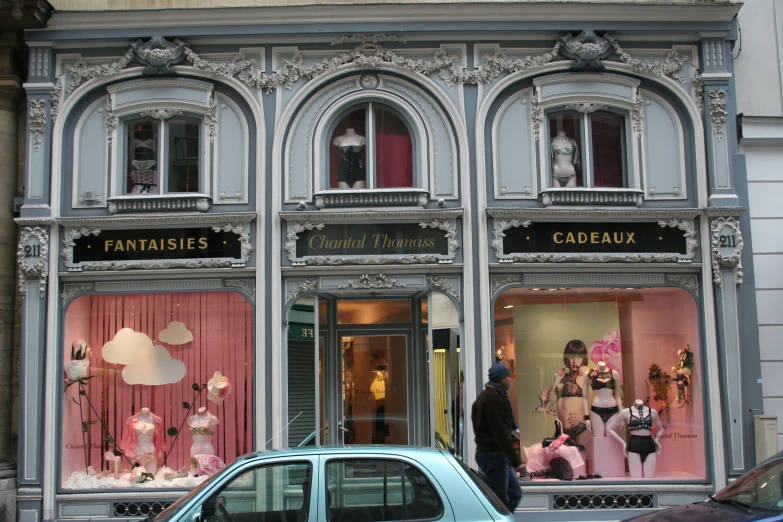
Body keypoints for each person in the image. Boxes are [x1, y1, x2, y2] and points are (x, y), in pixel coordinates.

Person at [471, 362, 525, 512]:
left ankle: (501, 517)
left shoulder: (492, 396)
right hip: (493, 456)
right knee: (499, 500)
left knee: (514, 494)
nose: (510, 380)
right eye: (508, 377)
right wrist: (517, 462)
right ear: (501, 379)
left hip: (496, 455)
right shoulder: (492, 399)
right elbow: (499, 433)